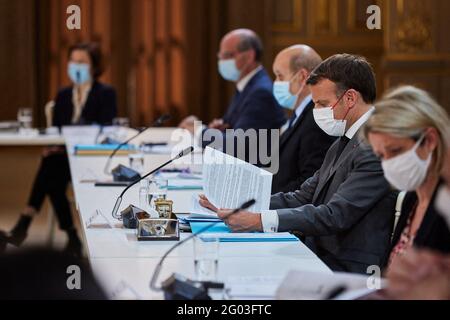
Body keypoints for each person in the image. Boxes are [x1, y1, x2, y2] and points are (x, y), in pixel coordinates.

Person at [200, 54, 397, 274]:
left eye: (323, 104)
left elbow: (335, 215)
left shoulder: (376, 147)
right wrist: (235, 200)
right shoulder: (343, 140)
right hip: (321, 252)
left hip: (349, 267)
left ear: (350, 98)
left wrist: (259, 221)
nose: (317, 112)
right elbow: (302, 196)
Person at [0, 43, 117, 256]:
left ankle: (29, 224)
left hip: (90, 158)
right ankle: (71, 237)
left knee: (50, 168)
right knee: (52, 169)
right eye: (73, 61)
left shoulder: (106, 93)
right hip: (63, 159)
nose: (76, 66)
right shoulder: (63, 95)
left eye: (82, 62)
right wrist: (53, 147)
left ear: (94, 66)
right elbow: (56, 132)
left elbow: (105, 130)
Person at [362, 85, 450, 269]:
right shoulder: (412, 199)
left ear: (429, 140)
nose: (388, 163)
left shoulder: (445, 201)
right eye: (381, 155)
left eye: (395, 150)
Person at [179, 29, 286, 164]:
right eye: (220, 56)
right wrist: (218, 130)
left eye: (227, 55)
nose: (221, 61)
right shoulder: (247, 86)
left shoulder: (260, 92)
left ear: (249, 56)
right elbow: (233, 129)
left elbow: (236, 146)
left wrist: (198, 130)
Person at [271, 45, 335, 193]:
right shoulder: (299, 114)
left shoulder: (316, 120)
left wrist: (265, 199)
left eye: (280, 76)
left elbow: (309, 182)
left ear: (301, 77)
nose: (275, 82)